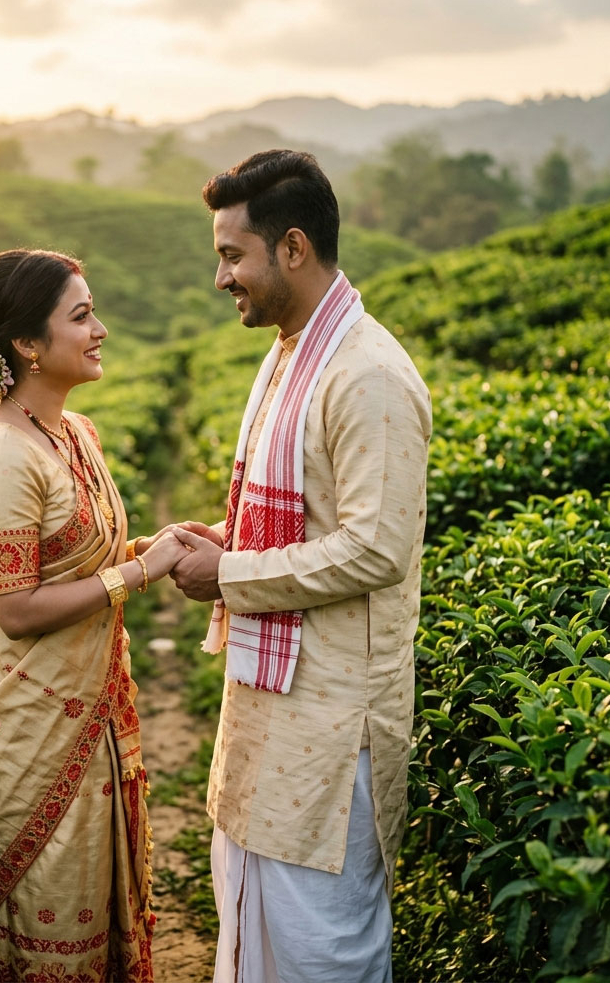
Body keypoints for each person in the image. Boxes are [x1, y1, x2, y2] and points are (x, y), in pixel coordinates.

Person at [168, 150, 432, 983]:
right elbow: (300, 515)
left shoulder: (367, 375)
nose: (222, 278)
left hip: (330, 722)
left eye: (232, 256)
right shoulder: (292, 354)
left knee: (322, 946)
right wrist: (216, 539)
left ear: (290, 248)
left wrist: (230, 573)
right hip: (271, 708)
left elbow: (376, 547)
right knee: (260, 927)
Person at [0, 248, 186, 982]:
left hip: (93, 716)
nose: (100, 329)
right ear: (26, 345)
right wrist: (143, 572)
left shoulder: (76, 435)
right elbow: (17, 609)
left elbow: (87, 561)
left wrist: (167, 544)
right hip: (33, 732)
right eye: (81, 317)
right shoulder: (4, 459)